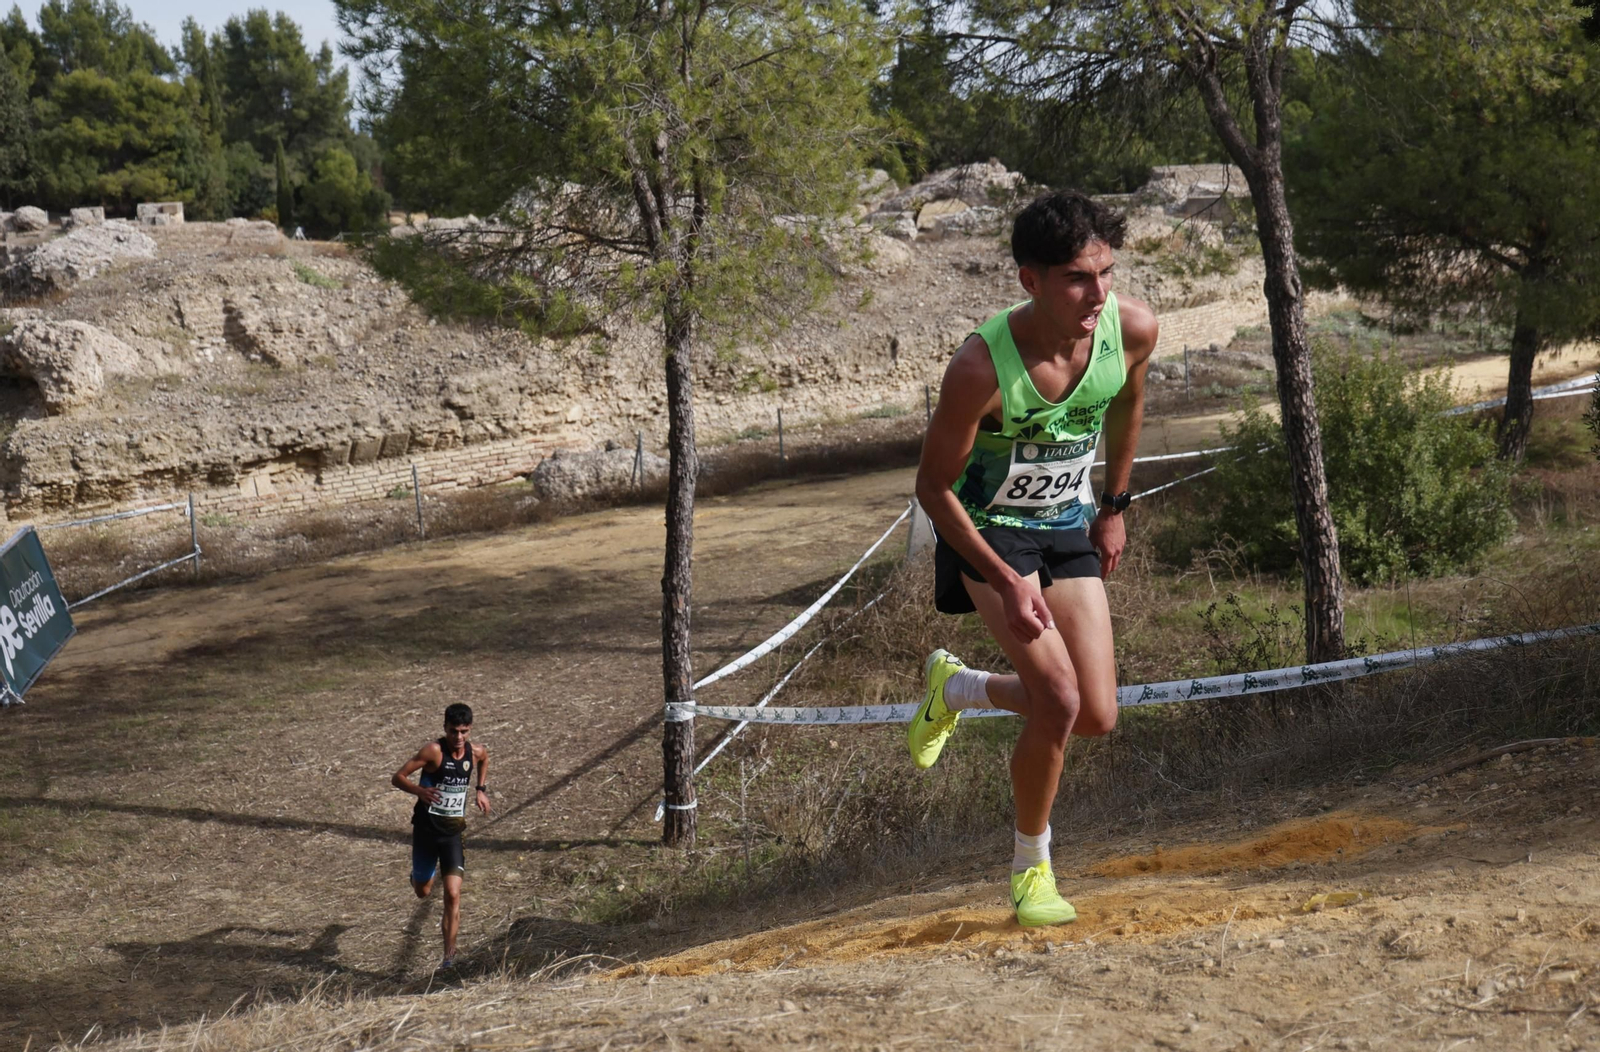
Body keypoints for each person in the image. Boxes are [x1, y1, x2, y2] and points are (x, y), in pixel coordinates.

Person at [909, 190, 1157, 927]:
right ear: (1031, 280)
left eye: (1106, 272)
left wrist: (1113, 508)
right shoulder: (981, 368)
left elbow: (1128, 402)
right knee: (1057, 699)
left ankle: (958, 690)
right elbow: (931, 488)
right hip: (987, 532)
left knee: (1097, 715)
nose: (1099, 292)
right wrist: (1006, 577)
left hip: (1065, 521)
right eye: (1079, 278)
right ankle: (1031, 869)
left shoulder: (1131, 328)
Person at [392, 703, 491, 969]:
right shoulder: (433, 752)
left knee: (452, 893)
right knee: (423, 892)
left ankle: (449, 957)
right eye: (453, 731)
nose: (458, 738)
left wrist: (481, 789)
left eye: (464, 731)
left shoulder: (475, 751)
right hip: (425, 833)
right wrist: (419, 791)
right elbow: (397, 777)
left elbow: (485, 758)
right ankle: (418, 877)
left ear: (470, 729)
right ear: (444, 728)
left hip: (452, 835)